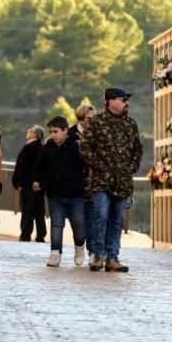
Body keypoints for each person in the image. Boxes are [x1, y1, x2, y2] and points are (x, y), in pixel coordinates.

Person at [79, 87, 143, 272]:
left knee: (116, 220)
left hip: (122, 182)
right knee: (101, 216)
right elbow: (85, 148)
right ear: (111, 101)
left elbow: (137, 150)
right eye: (123, 100)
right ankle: (98, 255)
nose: (126, 103)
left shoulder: (130, 124)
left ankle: (112, 257)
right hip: (101, 181)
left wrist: (130, 168)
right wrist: (100, 167)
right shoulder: (96, 123)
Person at [34, 116, 87, 267]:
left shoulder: (76, 145)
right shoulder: (47, 148)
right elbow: (40, 166)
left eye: (56, 131)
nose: (53, 135)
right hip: (55, 193)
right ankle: (55, 253)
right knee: (56, 223)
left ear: (65, 131)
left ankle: (79, 247)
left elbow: (87, 164)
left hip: (76, 194)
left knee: (78, 223)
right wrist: (37, 180)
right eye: (50, 132)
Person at [12, 125, 46, 243]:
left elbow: (23, 168)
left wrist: (19, 183)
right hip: (39, 186)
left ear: (35, 134)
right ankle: (40, 236)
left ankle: (25, 235)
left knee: (27, 211)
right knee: (39, 211)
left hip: (27, 185)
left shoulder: (28, 148)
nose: (28, 131)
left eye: (30, 130)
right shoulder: (42, 148)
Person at [72, 104, 96, 259]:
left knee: (91, 220)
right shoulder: (70, 134)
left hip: (93, 184)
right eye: (90, 118)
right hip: (75, 184)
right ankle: (79, 245)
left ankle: (93, 252)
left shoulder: (98, 134)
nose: (93, 121)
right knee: (78, 221)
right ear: (81, 119)